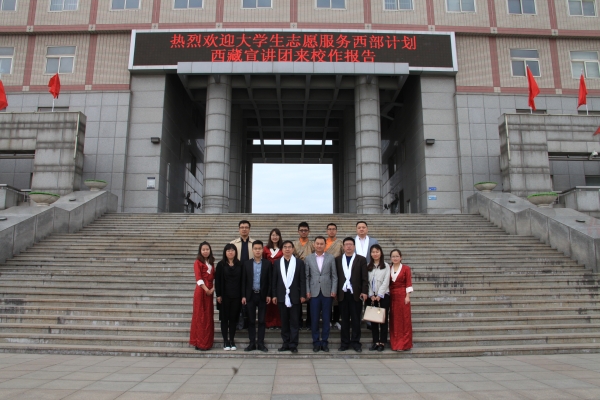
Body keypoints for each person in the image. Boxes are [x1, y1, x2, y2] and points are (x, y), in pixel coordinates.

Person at [272, 240, 306, 354]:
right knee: (284, 322)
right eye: (285, 247)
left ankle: (293, 344)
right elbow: (274, 280)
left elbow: (302, 280)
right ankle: (285, 343)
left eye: (289, 247)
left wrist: (303, 295)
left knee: (295, 322)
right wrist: (274, 295)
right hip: (281, 296)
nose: (287, 249)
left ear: (293, 249)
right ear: (282, 250)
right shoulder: (277, 263)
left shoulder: (299, 263)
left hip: (295, 296)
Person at [335, 237, 368, 352]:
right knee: (344, 320)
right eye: (346, 244)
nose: (348, 246)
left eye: (350, 244)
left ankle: (356, 342)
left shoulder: (361, 259)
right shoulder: (338, 259)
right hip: (342, 294)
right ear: (343, 247)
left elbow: (365, 277)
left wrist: (364, 291)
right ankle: (344, 343)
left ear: (354, 246)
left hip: (356, 294)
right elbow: (335, 277)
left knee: (356, 320)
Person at [305, 236, 338, 353]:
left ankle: (324, 342)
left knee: (326, 318)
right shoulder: (308, 258)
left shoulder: (330, 258)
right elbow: (307, 276)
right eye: (317, 244)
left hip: (327, 292)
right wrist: (307, 290)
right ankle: (315, 342)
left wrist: (334, 290)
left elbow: (334, 276)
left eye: (321, 244)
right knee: (314, 319)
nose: (319, 246)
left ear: (325, 245)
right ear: (314, 244)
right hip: (314, 292)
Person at [242, 240, 272, 352]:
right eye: (255, 249)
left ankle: (260, 343)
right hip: (250, 295)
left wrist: (269, 294)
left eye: (259, 248)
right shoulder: (247, 264)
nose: (257, 251)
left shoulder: (267, 264)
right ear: (252, 250)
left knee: (262, 321)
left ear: (262, 250)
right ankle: (252, 343)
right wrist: (243, 295)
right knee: (251, 320)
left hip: (262, 296)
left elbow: (270, 281)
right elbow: (243, 281)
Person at [214, 243, 243, 351]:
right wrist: (218, 295)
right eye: (228, 250)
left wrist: (243, 295)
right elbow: (217, 281)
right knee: (224, 319)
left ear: (235, 252)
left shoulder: (240, 264)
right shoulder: (221, 265)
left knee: (233, 319)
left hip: (236, 296)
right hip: (224, 296)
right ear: (225, 252)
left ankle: (232, 340)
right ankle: (225, 341)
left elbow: (243, 280)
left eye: (232, 250)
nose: (230, 252)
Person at [189, 242, 215, 351]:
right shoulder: (197, 262)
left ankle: (207, 343)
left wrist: (213, 289)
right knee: (200, 316)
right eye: (203, 249)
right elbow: (198, 278)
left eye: (207, 249)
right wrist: (206, 289)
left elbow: (215, 277)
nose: (205, 251)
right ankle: (199, 342)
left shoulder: (211, 263)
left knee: (208, 316)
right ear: (200, 251)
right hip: (201, 291)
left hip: (209, 292)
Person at [366, 244, 390, 352]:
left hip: (383, 296)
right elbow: (367, 282)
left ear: (381, 253)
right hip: (372, 297)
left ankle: (382, 342)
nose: (375, 254)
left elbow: (386, 281)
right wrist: (371, 294)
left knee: (383, 320)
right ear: (370, 254)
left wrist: (380, 294)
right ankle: (375, 341)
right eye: (373, 252)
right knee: (373, 320)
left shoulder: (386, 266)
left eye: (377, 251)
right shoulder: (368, 266)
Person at [389, 249, 413, 351]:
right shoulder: (388, 268)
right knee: (394, 320)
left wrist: (407, 296)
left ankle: (405, 344)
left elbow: (408, 282)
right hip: (392, 296)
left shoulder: (406, 268)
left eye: (397, 256)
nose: (395, 258)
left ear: (401, 257)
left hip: (402, 296)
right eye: (393, 256)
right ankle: (395, 344)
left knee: (404, 319)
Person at [293, 222, 314, 330]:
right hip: (297, 272)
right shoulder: (294, 244)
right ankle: (299, 322)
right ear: (298, 231)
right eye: (301, 230)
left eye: (305, 230)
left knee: (310, 298)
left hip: (311, 273)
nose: (303, 232)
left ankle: (310, 323)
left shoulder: (312, 244)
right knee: (298, 298)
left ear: (308, 231)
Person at [263, 228, 283, 330]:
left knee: (278, 299)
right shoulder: (265, 249)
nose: (275, 237)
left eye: (276, 235)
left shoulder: (283, 248)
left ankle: (278, 322)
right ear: (270, 237)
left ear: (279, 236)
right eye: (273, 235)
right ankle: (269, 322)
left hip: (280, 275)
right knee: (269, 299)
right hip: (268, 275)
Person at [325, 223, 343, 331]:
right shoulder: (323, 243)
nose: (331, 231)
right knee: (326, 297)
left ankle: (336, 320)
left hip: (337, 272)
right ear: (327, 231)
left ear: (336, 231)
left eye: (333, 229)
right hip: (325, 273)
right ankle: (327, 319)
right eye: (329, 229)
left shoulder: (340, 243)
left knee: (337, 298)